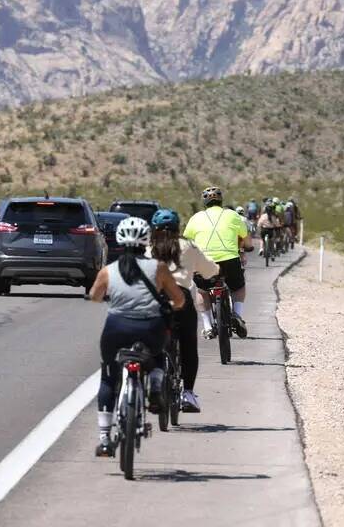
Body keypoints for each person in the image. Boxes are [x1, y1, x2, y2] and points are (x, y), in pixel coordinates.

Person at [87, 216, 185, 457]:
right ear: (146, 241)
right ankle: (153, 386)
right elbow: (179, 299)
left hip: (116, 328)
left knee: (109, 377)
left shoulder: (108, 271)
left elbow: (95, 296)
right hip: (151, 328)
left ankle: (104, 439)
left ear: (120, 241)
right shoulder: (159, 268)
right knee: (159, 356)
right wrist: (171, 305)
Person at [150, 208, 219, 413]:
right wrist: (216, 272)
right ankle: (188, 393)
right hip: (181, 297)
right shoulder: (189, 246)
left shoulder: (148, 247)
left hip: (155, 298)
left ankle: (152, 385)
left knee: (150, 341)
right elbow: (209, 270)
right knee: (188, 345)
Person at [183, 186, 251, 339]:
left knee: (202, 290)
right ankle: (237, 315)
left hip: (205, 261)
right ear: (221, 201)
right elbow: (245, 236)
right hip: (229, 260)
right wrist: (249, 246)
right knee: (238, 287)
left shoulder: (196, 218)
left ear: (204, 202)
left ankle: (207, 327)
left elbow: (188, 239)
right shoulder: (233, 215)